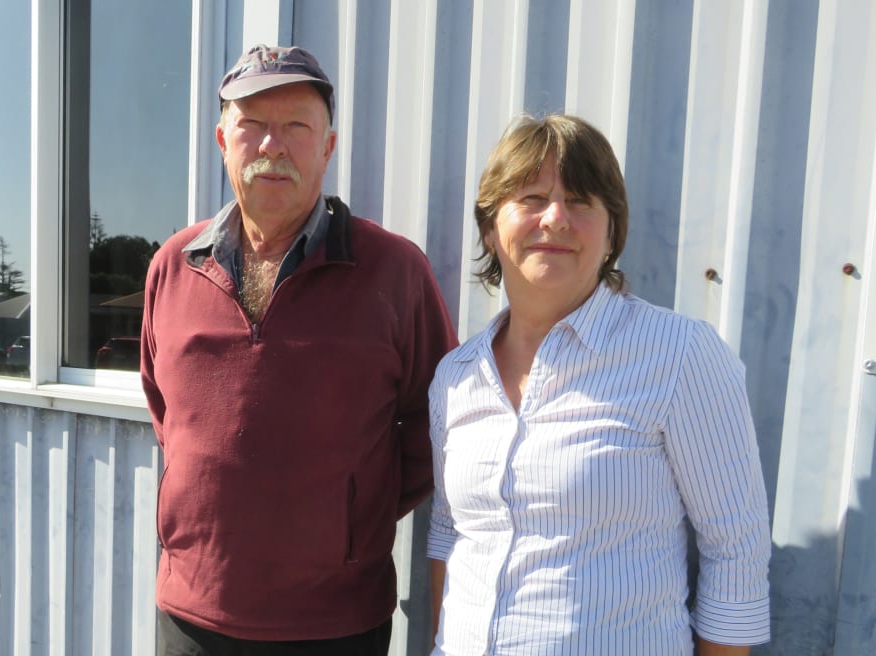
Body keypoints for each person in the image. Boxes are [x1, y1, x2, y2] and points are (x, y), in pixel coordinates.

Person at [141, 43, 458, 656]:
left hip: (335, 623)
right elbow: (166, 413)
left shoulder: (393, 271)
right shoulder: (171, 267)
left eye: (295, 127)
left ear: (328, 147)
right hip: (191, 616)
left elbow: (436, 431)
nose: (272, 147)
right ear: (222, 140)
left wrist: (346, 515)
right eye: (252, 126)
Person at [427, 114, 770, 655]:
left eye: (582, 202)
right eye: (532, 198)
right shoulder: (456, 377)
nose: (557, 218)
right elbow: (450, 534)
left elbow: (736, 552)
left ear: (612, 232)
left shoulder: (680, 356)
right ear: (491, 228)